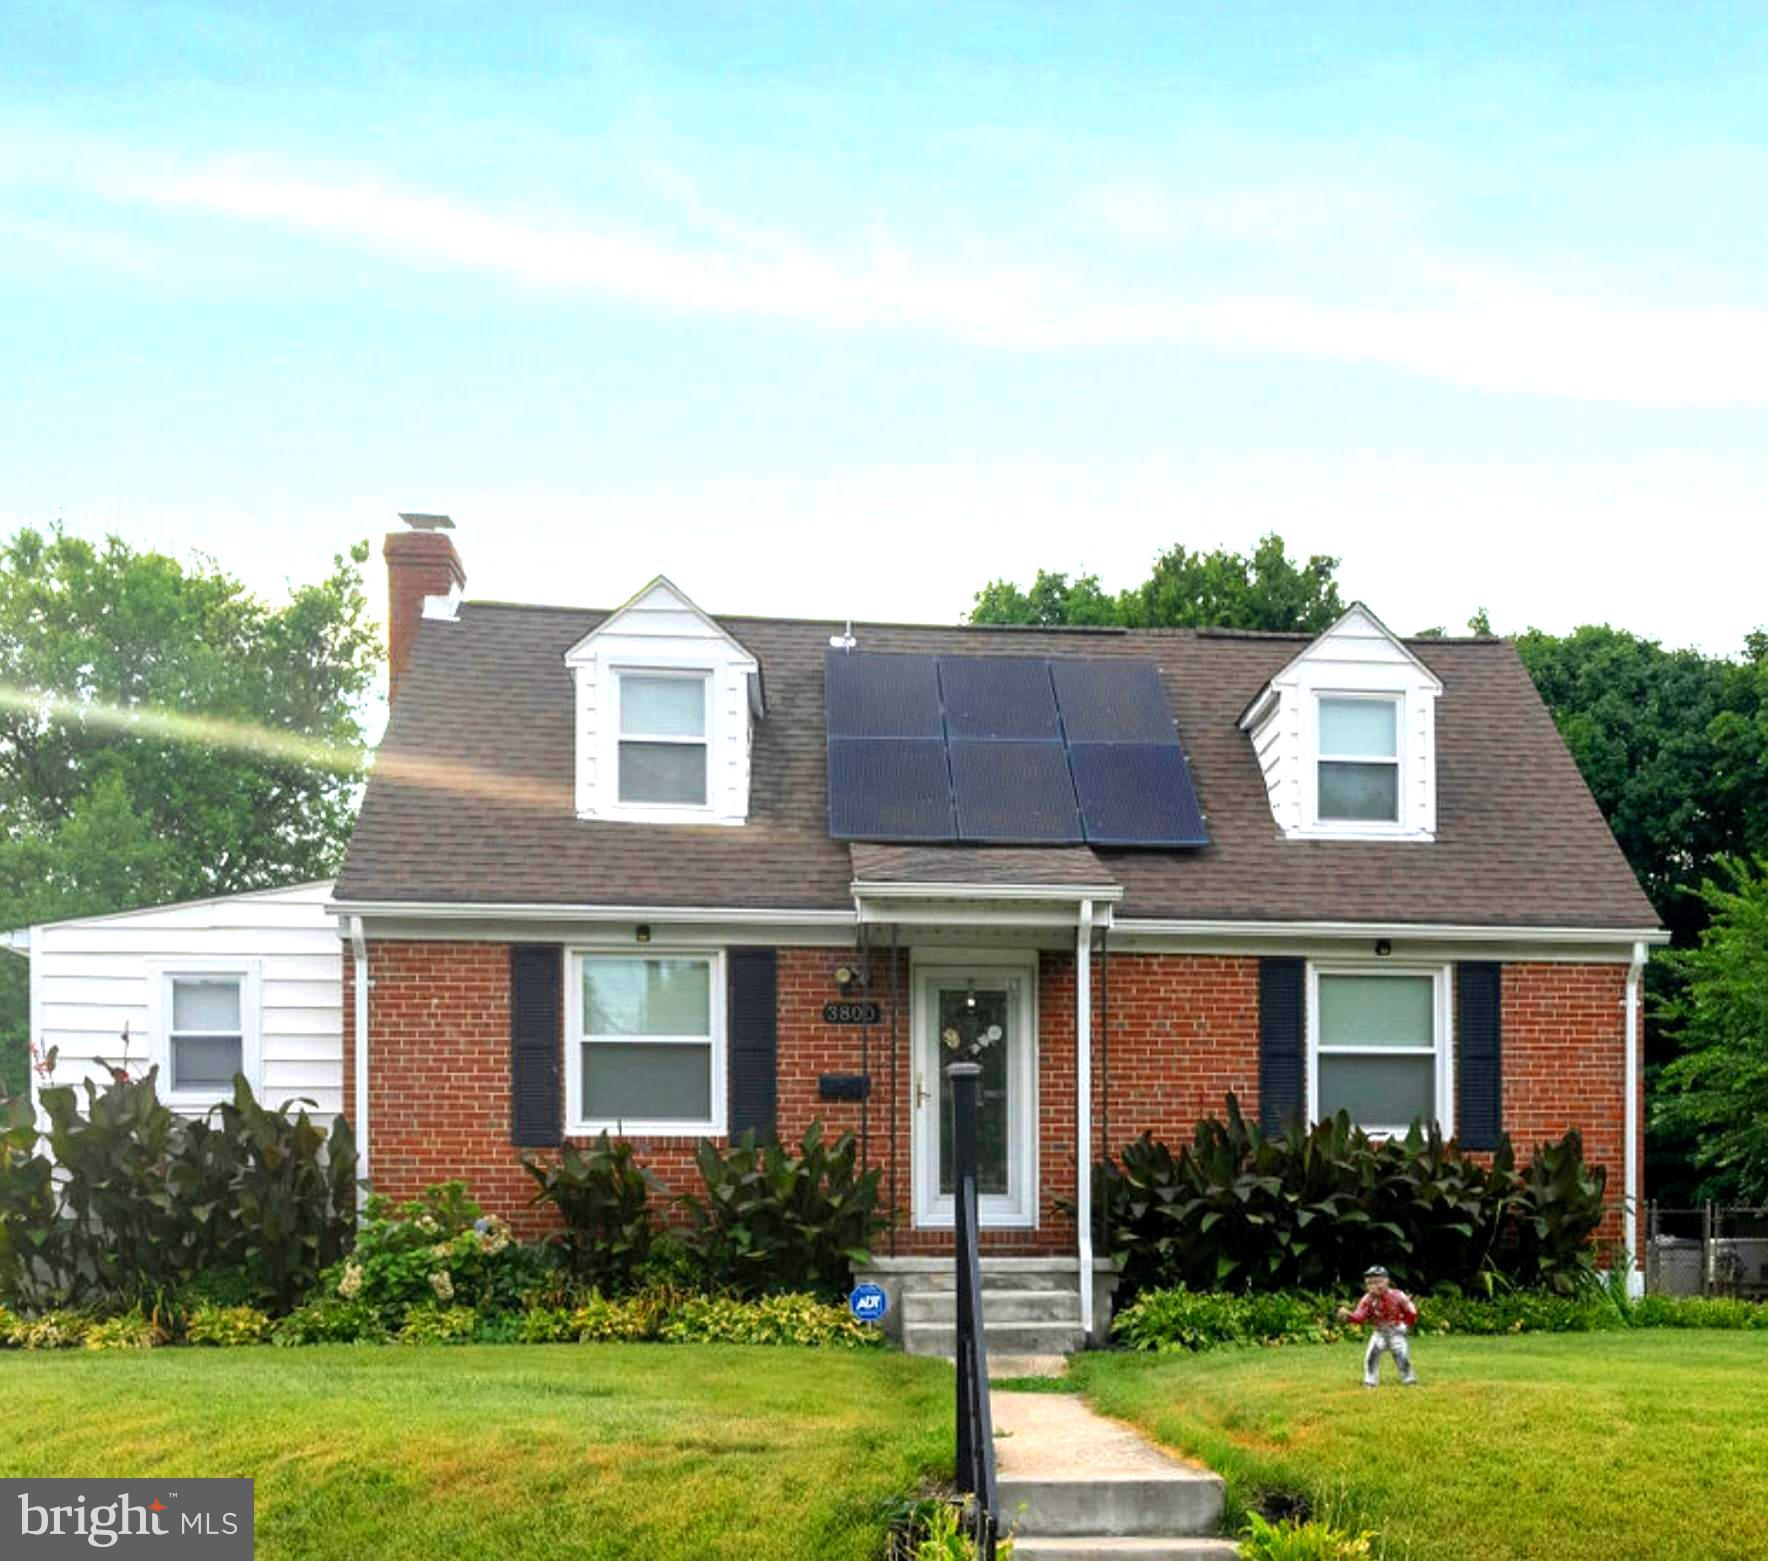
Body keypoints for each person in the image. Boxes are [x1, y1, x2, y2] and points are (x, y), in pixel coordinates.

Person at [1336, 1265, 1419, 1387]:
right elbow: (1360, 1316)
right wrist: (1349, 1316)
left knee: (1402, 1356)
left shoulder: (1397, 1295)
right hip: (1379, 1332)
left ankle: (1409, 1379)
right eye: (1370, 1283)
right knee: (1371, 1357)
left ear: (1387, 1281)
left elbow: (1411, 1311)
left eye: (1378, 1282)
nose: (1374, 1286)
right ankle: (1370, 1381)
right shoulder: (1367, 1299)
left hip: (1395, 1331)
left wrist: (1405, 1325)